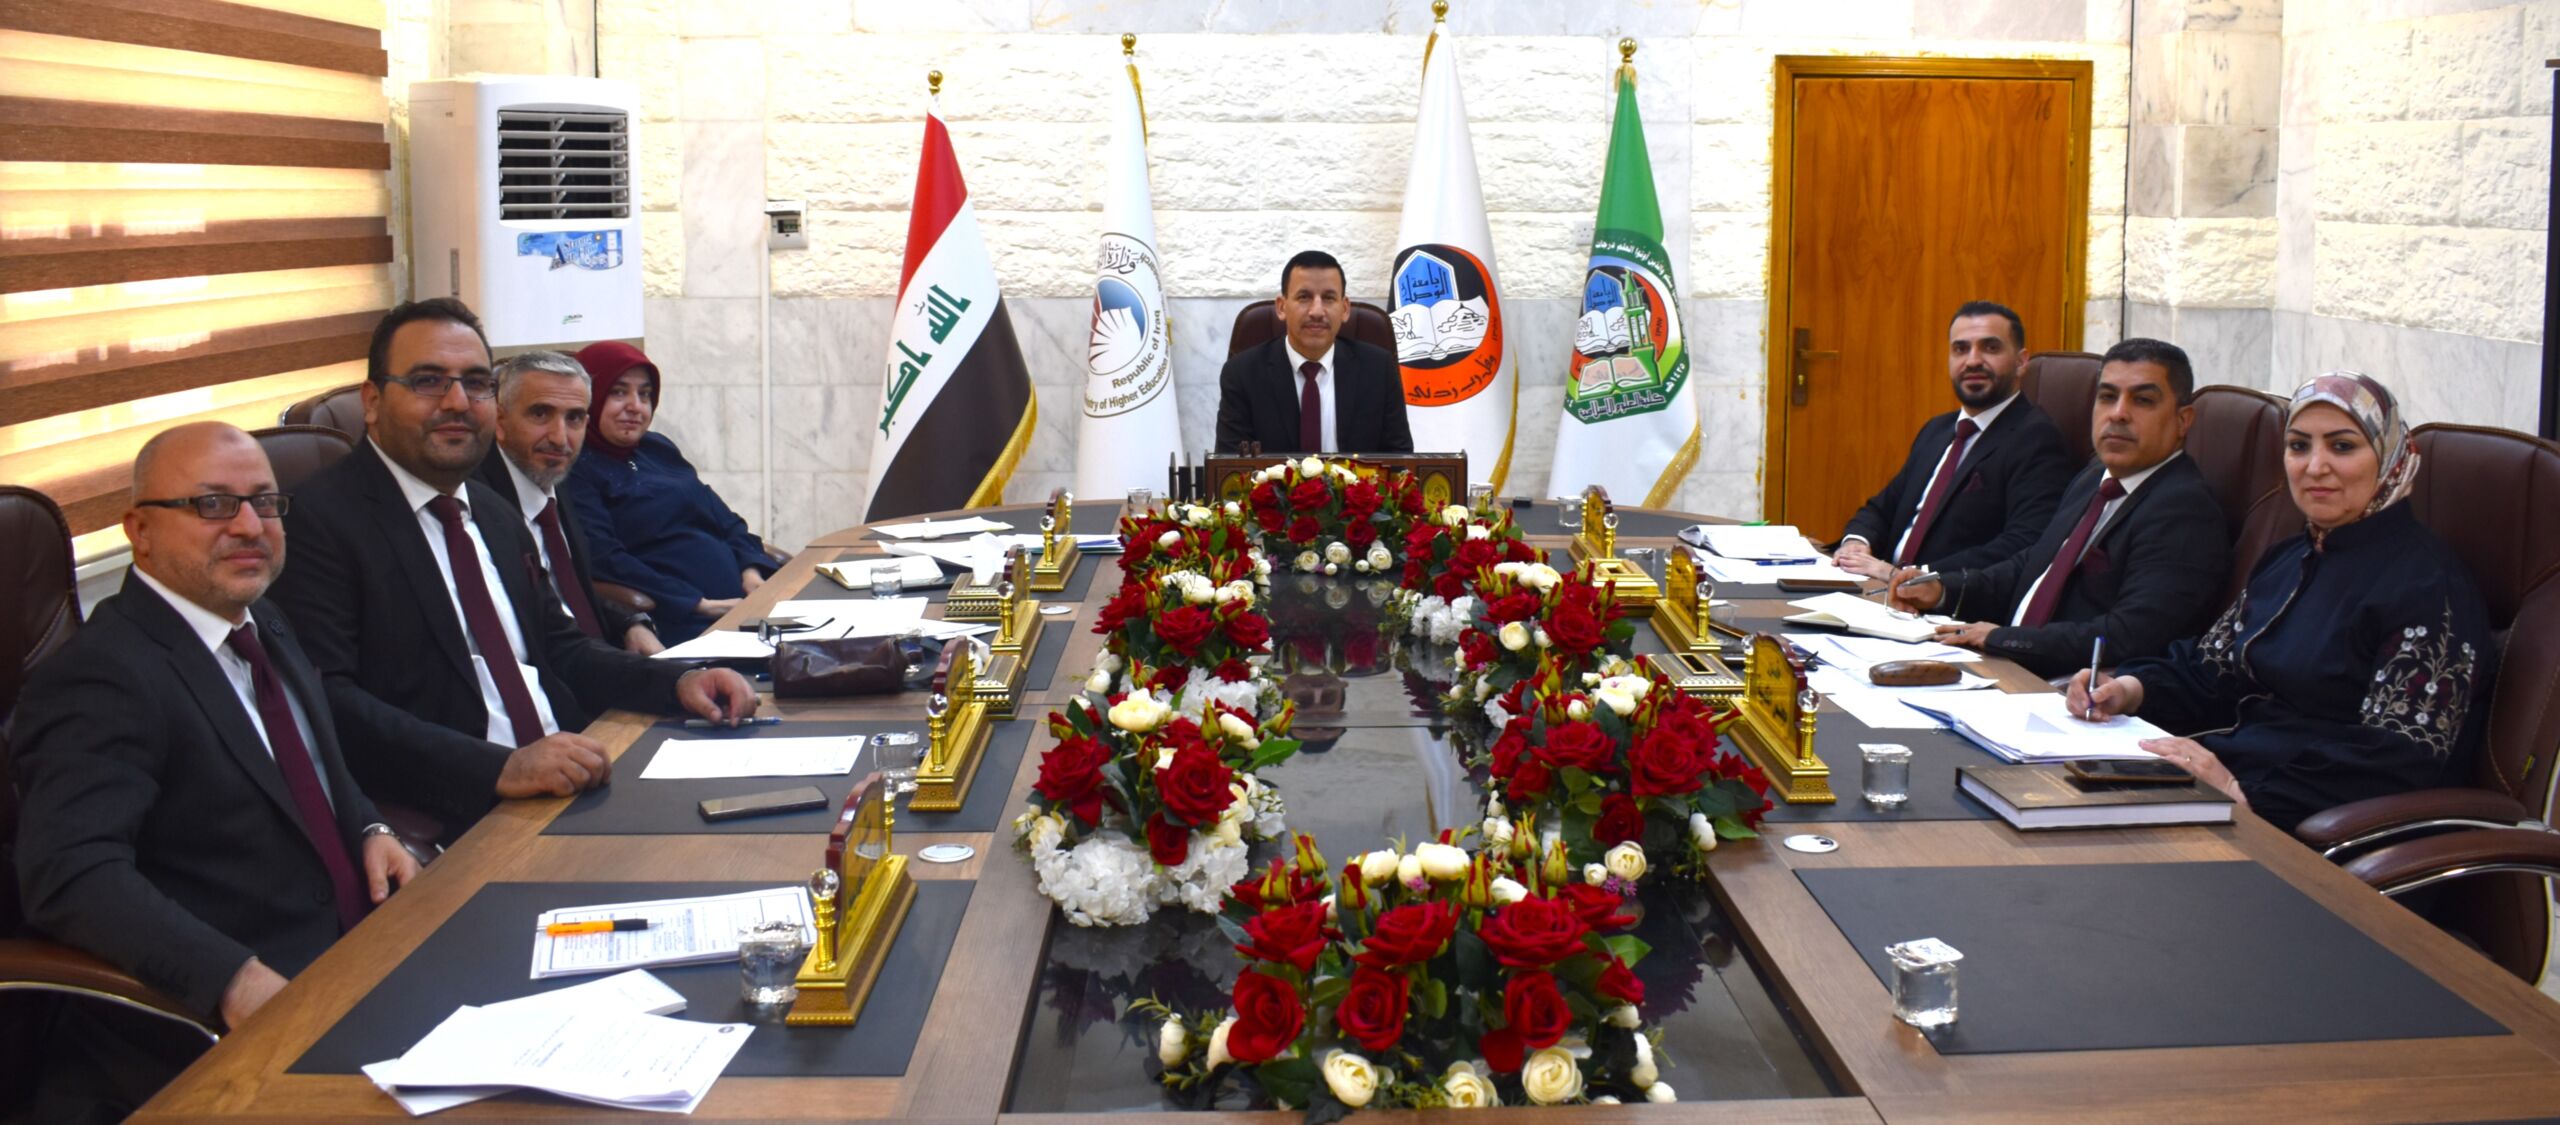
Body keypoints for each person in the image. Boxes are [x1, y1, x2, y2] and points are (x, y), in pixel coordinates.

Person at [10, 423, 421, 1117]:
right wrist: (235, 980)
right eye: (211, 504)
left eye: (264, 501)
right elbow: (71, 874)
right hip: (219, 1038)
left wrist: (370, 825)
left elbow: (308, 765)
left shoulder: (257, 618)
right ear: (140, 531)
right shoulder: (104, 676)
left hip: (357, 962)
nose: (249, 526)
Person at [266, 300, 759, 840]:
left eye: (476, 383)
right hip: (465, 811)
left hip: (573, 775)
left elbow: (562, 647)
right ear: (373, 401)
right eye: (428, 381)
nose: (457, 402)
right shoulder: (317, 522)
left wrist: (679, 682)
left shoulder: (492, 510)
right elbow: (328, 701)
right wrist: (499, 767)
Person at [2069, 372, 2493, 832]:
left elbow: (2399, 757)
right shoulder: (2291, 557)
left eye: (2342, 446)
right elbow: (2211, 671)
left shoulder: (2427, 587)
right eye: (2298, 446)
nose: (2315, 466)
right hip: (2220, 785)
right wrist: (2127, 689)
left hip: (2298, 825)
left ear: (2389, 457)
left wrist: (2239, 792)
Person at [1889, 338, 2228, 678]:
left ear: (2183, 420)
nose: (2118, 413)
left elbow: (2129, 634)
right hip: (2003, 666)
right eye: (2107, 397)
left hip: (2064, 689)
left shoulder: (2185, 510)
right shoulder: (2094, 477)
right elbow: (2032, 567)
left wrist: (2000, 639)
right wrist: (1943, 589)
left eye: (2143, 400)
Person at [562, 340, 784, 645]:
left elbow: (726, 521)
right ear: (588, 398)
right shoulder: (576, 468)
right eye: (618, 392)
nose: (635, 406)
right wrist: (699, 603)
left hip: (745, 605)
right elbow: (605, 559)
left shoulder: (657, 448)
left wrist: (751, 572)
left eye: (645, 394)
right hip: (679, 619)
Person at [1832, 301, 2076, 579]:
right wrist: (1857, 543)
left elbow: (2023, 543)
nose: (1972, 361)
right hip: (1879, 586)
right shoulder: (1936, 430)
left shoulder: (2036, 439)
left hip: (1950, 597)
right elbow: (1882, 508)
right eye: (1960, 349)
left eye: (1990, 348)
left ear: (2021, 362)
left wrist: (1914, 576)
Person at [472, 350, 663, 655]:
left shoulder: (554, 476)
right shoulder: (475, 502)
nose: (560, 438)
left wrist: (630, 622)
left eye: (573, 418)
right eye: (540, 414)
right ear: (500, 420)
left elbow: (567, 592)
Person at [1214, 250, 1415, 455]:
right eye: (1304, 297)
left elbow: (1400, 460)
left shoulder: (1378, 370)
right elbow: (1231, 466)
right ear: (1281, 307)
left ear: (1345, 309)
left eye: (1328, 298)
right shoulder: (1242, 374)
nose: (1317, 311)